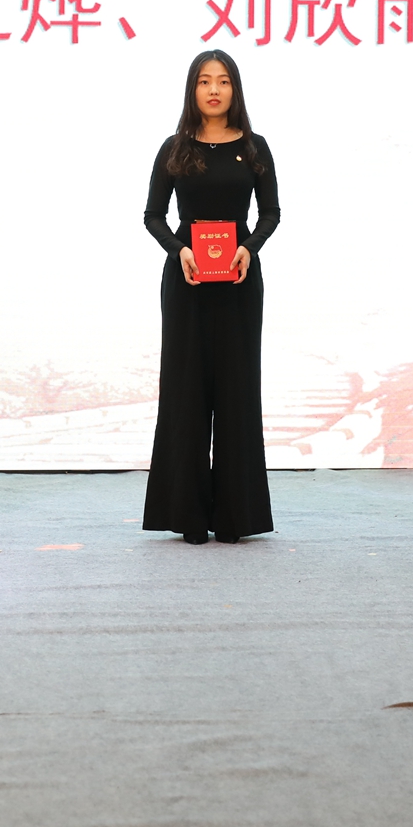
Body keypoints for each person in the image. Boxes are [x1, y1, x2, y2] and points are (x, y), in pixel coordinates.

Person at [142, 50, 281, 544]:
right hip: (188, 281)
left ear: (234, 89)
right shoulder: (175, 148)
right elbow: (153, 215)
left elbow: (271, 212)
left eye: (223, 81)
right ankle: (187, 515)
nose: (214, 90)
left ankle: (235, 517)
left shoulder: (255, 147)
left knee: (237, 392)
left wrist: (249, 247)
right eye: (205, 81)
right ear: (193, 90)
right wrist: (179, 250)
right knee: (187, 392)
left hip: (239, 281)